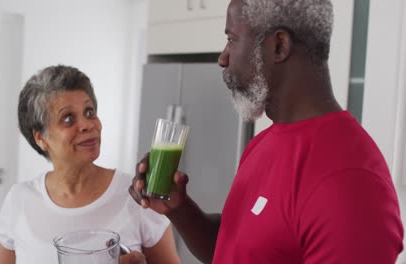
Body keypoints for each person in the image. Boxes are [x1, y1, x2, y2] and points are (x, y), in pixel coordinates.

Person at [129, 0, 404, 263]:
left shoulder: (349, 184)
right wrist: (180, 208)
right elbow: (235, 250)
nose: (223, 58)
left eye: (232, 39)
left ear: (279, 46)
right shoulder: (263, 143)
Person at [0, 65, 180, 264]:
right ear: (41, 138)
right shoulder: (18, 200)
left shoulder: (137, 197)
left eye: (89, 112)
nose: (87, 124)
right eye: (68, 118)